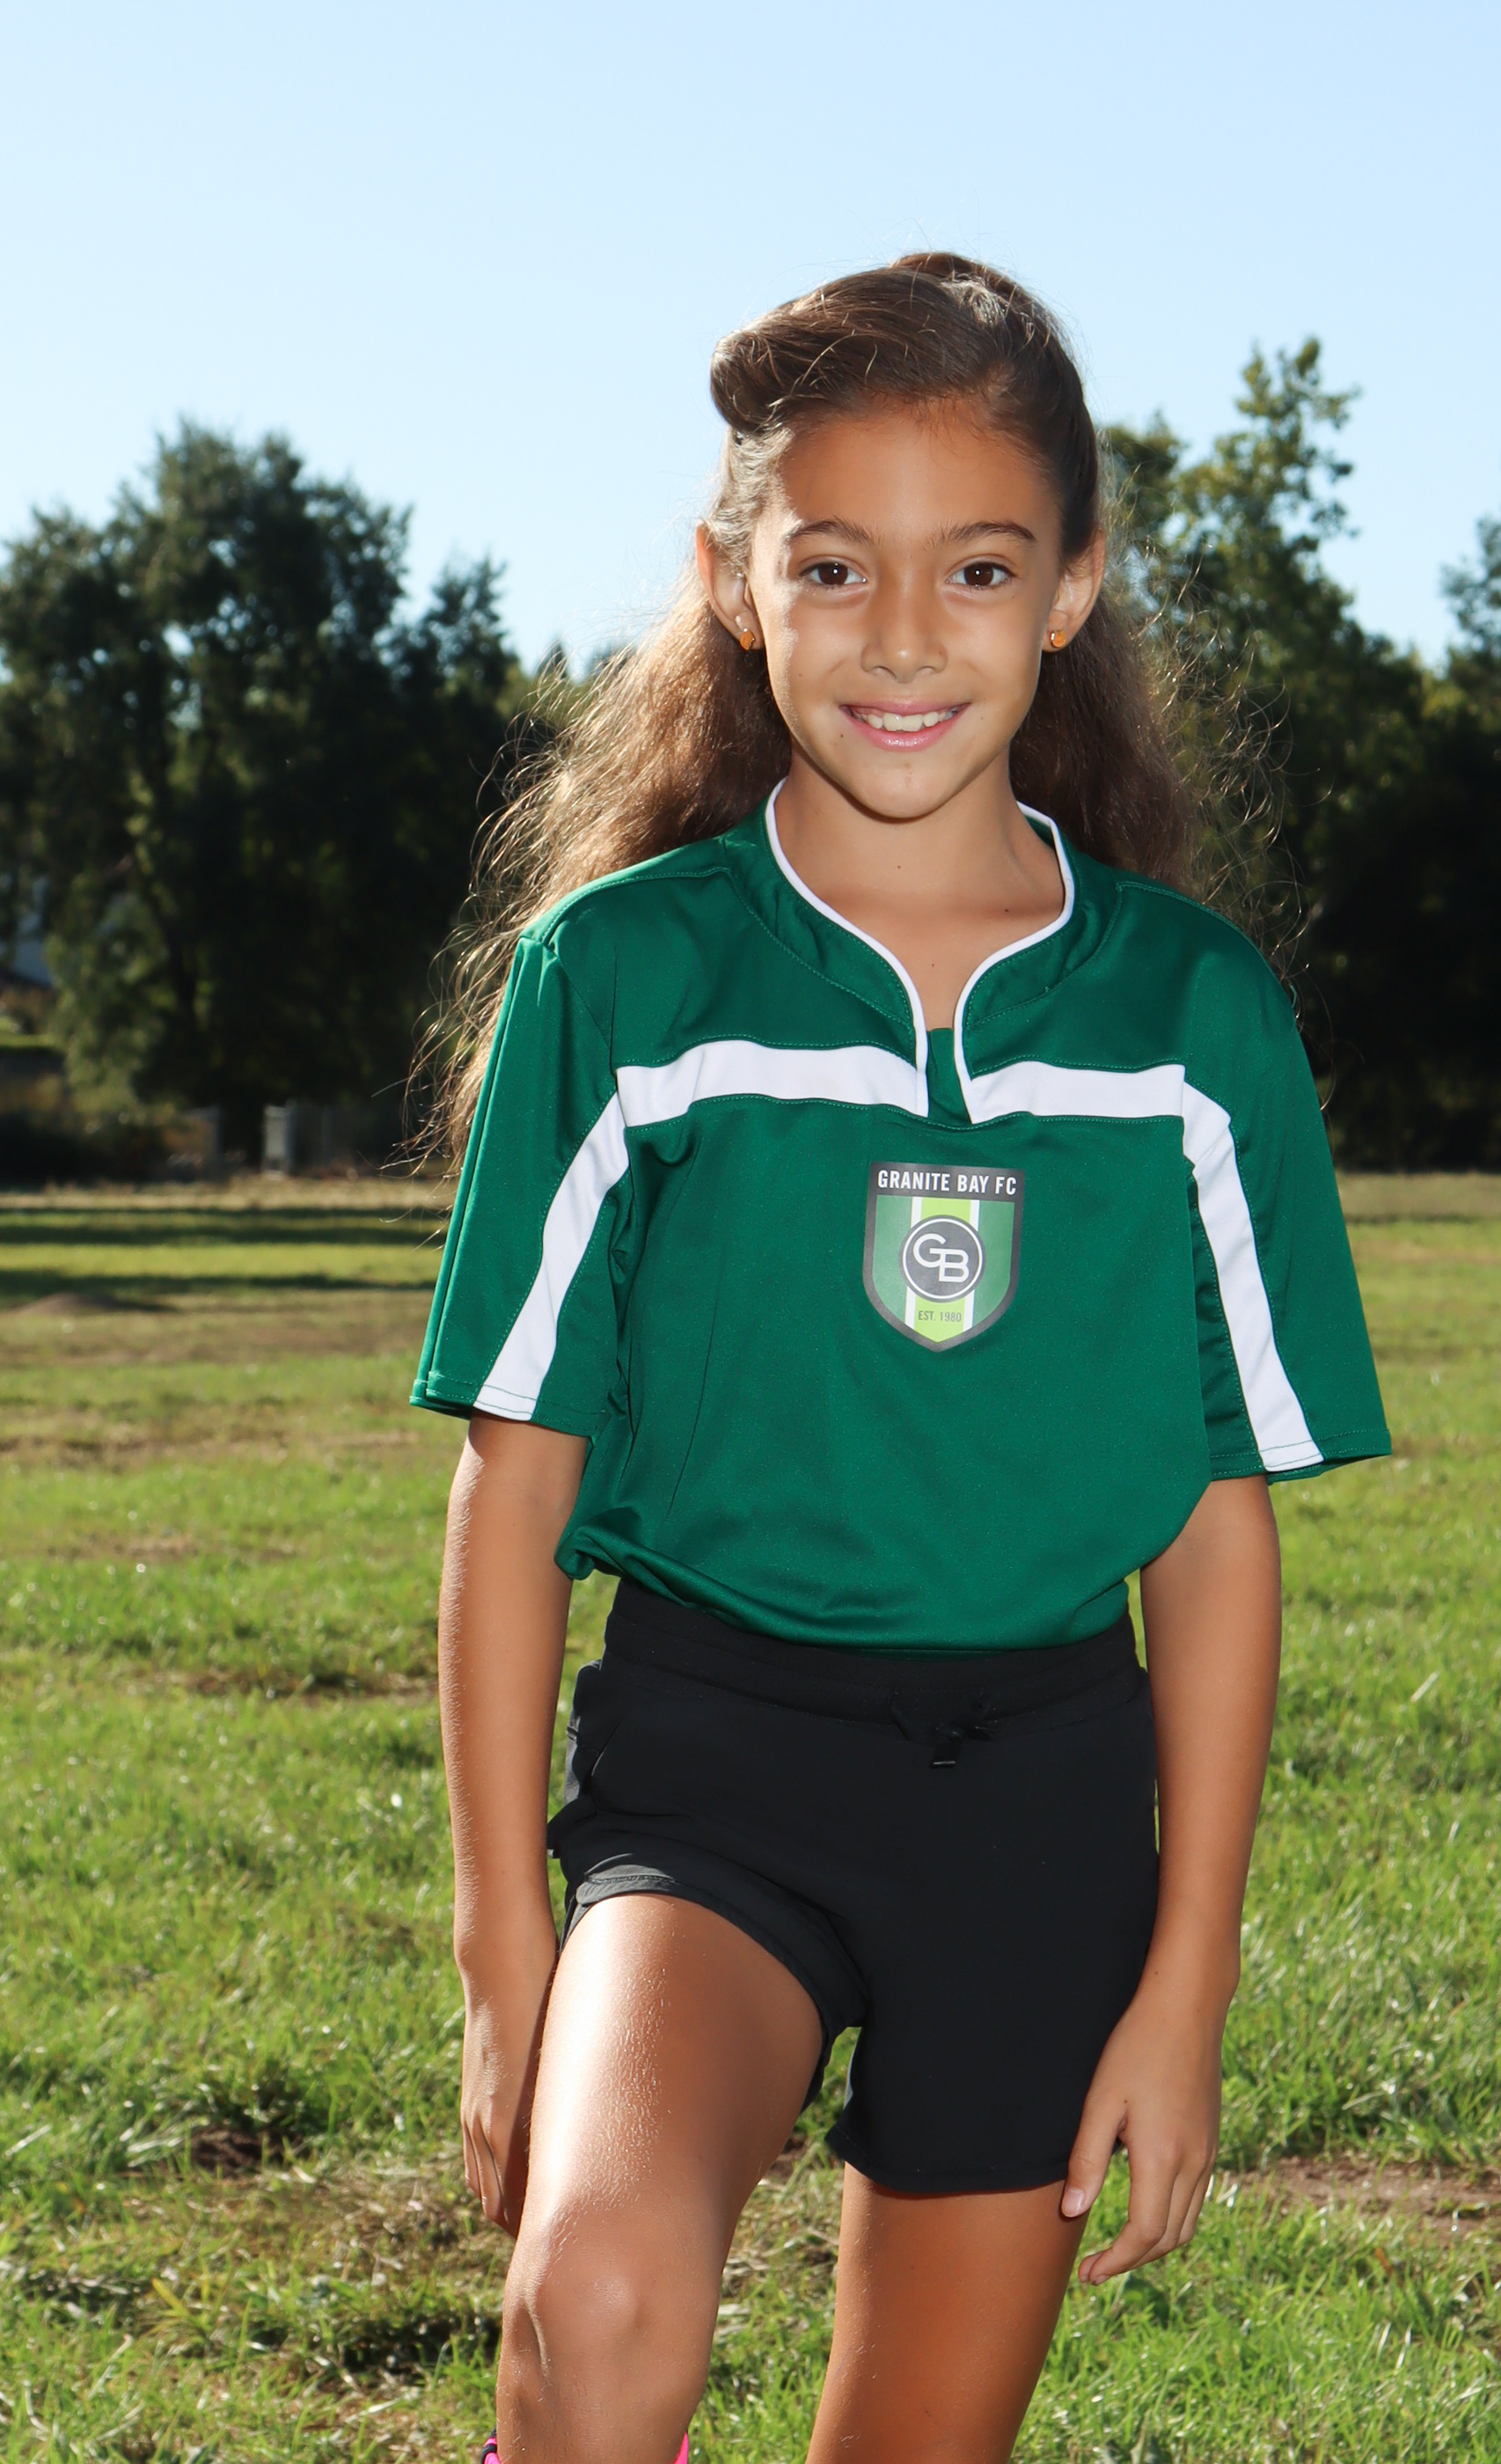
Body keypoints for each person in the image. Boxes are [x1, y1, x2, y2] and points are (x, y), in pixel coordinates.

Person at [414, 254, 1389, 2464]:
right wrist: (501, 1954)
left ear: (1071, 591)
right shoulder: (623, 977)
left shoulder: (1189, 1017)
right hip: (714, 1762)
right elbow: (515, 1473)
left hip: (1044, 1800)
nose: (902, 634)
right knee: (600, 2293)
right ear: (734, 581)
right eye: (835, 564)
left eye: (978, 568)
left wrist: (1188, 1979)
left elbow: (1210, 1520)